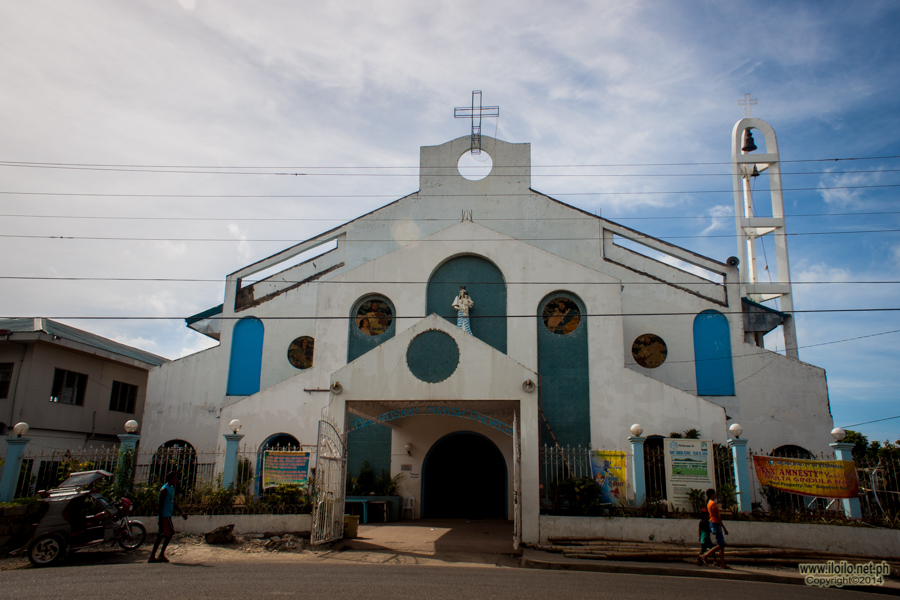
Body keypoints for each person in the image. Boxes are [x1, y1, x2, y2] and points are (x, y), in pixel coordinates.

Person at [148, 471, 187, 563]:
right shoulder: (164, 489)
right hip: (164, 515)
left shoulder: (171, 488)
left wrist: (181, 512)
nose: (176, 479)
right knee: (169, 533)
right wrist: (160, 518)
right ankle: (158, 555)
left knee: (162, 534)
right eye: (175, 477)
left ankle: (156, 555)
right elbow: (160, 505)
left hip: (167, 514)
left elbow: (173, 503)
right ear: (170, 479)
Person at [699, 488, 728, 568]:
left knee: (721, 546)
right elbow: (717, 517)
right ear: (712, 494)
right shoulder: (713, 504)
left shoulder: (709, 503)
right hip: (716, 524)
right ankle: (705, 555)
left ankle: (722, 564)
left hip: (713, 524)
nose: (716, 495)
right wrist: (724, 528)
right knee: (721, 545)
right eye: (715, 493)